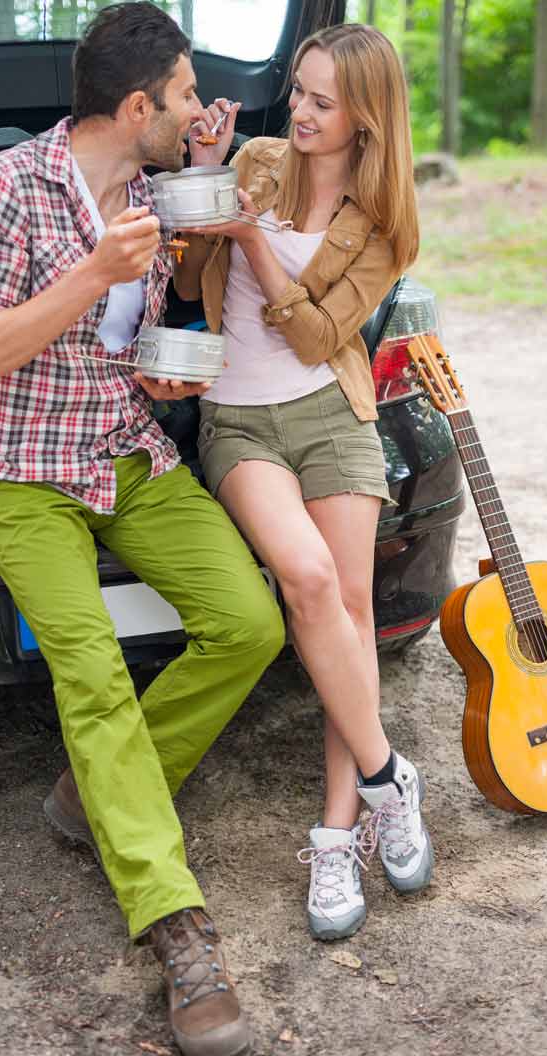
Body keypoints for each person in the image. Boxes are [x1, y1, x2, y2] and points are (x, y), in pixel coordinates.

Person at [0, 1, 285, 1056]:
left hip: (120, 442)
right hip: (22, 470)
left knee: (248, 621)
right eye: (184, 97)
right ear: (136, 104)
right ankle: (179, 924)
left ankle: (94, 793)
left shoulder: (155, 190)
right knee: (90, 672)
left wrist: (171, 340)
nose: (195, 111)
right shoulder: (6, 185)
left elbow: (157, 323)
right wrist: (90, 273)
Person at [174, 23, 433, 942]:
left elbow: (320, 339)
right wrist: (207, 171)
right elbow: (187, 263)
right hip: (238, 421)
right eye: (302, 94)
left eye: (325, 102)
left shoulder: (384, 219)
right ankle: (387, 774)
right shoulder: (257, 162)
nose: (304, 113)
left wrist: (251, 240)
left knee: (351, 613)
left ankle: (335, 834)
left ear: (367, 115)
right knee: (308, 581)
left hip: (331, 416)